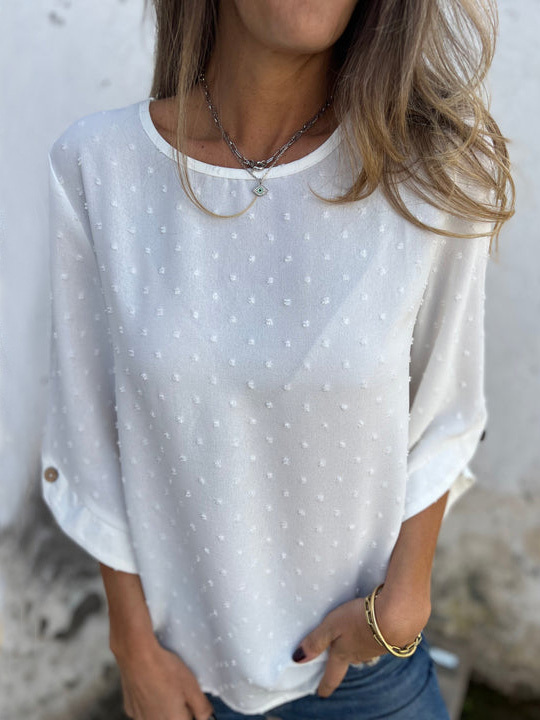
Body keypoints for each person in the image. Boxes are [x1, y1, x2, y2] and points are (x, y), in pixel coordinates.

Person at [40, 1, 515, 719]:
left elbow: (444, 408)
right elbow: (87, 431)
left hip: (361, 671)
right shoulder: (98, 166)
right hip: (182, 679)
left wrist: (403, 605)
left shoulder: (426, 173)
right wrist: (133, 647)